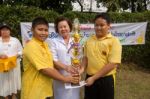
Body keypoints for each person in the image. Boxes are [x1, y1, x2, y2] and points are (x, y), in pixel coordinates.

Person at [21, 17, 79, 99]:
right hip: (33, 91)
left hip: (44, 89)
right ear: (32, 30)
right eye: (40, 29)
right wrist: (65, 78)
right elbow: (45, 69)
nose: (43, 33)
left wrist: (76, 70)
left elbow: (50, 65)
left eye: (45, 30)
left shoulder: (44, 45)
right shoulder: (32, 46)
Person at [82, 13, 122, 99]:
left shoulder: (114, 41)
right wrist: (81, 70)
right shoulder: (89, 40)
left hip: (106, 80)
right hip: (89, 78)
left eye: (102, 25)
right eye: (96, 25)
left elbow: (113, 64)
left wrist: (94, 78)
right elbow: (85, 58)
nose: (98, 28)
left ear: (108, 26)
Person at [49, 17, 83, 99]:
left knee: (74, 96)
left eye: (65, 26)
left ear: (70, 27)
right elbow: (54, 60)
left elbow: (81, 58)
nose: (63, 29)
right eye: (60, 27)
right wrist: (66, 67)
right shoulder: (53, 42)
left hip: (74, 76)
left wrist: (79, 72)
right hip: (60, 76)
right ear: (57, 29)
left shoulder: (76, 40)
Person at [0, 23, 22, 99]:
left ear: (10, 31)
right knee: (3, 80)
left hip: (14, 65)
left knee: (13, 79)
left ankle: (13, 94)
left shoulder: (15, 40)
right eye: (3, 29)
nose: (5, 31)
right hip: (2, 66)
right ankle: (5, 95)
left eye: (7, 29)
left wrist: (16, 56)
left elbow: (21, 51)